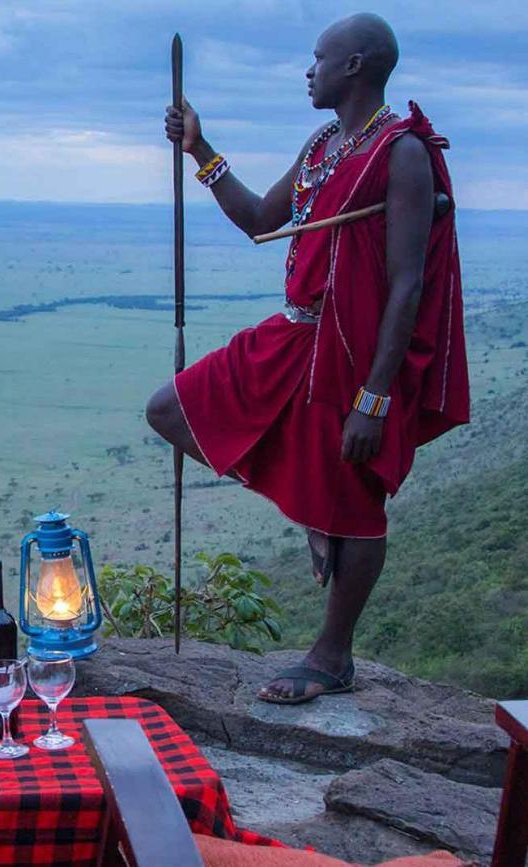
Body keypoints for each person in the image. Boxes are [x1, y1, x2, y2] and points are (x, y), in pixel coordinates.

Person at [147, 13, 468, 704]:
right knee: (170, 409)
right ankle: (310, 515)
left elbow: (406, 283)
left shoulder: (400, 152)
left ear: (353, 66)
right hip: (293, 337)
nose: (308, 69)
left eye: (318, 58)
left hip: (352, 354)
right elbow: (263, 220)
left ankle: (332, 654)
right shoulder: (325, 141)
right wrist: (201, 152)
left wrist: (375, 399)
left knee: (357, 500)